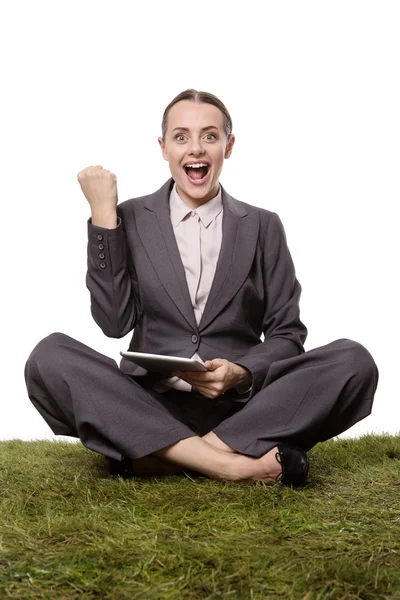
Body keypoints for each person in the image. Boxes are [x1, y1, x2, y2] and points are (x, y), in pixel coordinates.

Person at [24, 89, 379, 487]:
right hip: (146, 404)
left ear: (228, 146)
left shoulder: (262, 225)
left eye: (209, 136)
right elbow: (113, 322)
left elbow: (287, 334)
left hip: (240, 411)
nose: (196, 148)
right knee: (48, 356)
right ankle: (230, 466)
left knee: (354, 361)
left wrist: (242, 372)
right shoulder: (129, 218)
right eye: (181, 136)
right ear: (163, 147)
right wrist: (103, 217)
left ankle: (160, 456)